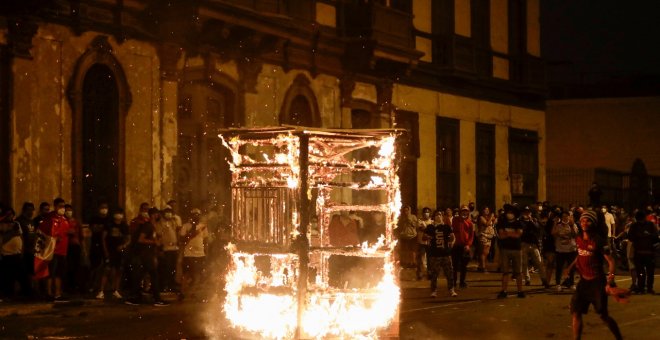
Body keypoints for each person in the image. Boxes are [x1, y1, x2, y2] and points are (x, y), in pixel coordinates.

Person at [564, 210, 622, 340]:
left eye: (588, 220)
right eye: (583, 220)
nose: (584, 223)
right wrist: (570, 267)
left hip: (597, 283)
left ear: (593, 223)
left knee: (603, 316)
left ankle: (619, 338)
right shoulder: (578, 238)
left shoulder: (599, 241)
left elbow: (611, 261)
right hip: (583, 283)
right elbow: (579, 254)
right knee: (576, 312)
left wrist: (610, 278)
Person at [125, 208, 168, 306]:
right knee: (154, 275)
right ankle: (157, 299)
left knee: (140, 276)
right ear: (153, 215)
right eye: (157, 214)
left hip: (146, 255)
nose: (159, 216)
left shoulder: (151, 226)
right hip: (145, 255)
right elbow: (141, 239)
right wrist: (154, 242)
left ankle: (135, 298)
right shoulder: (147, 226)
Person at [39, 198, 70, 301]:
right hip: (52, 251)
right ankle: (48, 293)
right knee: (50, 272)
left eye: (63, 206)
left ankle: (57, 293)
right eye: (60, 206)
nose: (62, 208)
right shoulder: (50, 218)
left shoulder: (64, 219)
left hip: (62, 251)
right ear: (55, 206)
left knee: (59, 273)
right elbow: (45, 232)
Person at [97, 208, 129, 300]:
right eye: (117, 213)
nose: (119, 215)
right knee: (106, 270)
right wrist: (106, 251)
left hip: (120, 252)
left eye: (120, 213)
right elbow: (103, 238)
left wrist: (123, 246)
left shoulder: (124, 226)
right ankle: (101, 291)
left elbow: (128, 239)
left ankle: (116, 290)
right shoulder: (109, 225)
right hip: (110, 251)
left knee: (119, 270)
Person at [424, 209, 457, 297]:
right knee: (434, 274)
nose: (438, 216)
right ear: (434, 217)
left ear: (442, 217)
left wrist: (451, 243)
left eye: (440, 215)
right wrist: (427, 237)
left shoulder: (446, 227)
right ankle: (434, 291)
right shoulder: (430, 227)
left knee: (449, 273)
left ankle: (451, 290)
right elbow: (424, 237)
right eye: (437, 215)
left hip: (445, 254)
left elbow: (453, 237)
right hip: (435, 254)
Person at [178, 208, 208, 300]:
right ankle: (182, 293)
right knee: (186, 275)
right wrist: (191, 232)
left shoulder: (203, 226)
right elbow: (182, 239)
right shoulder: (186, 226)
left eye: (198, 214)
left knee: (198, 275)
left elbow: (206, 240)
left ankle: (192, 292)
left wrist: (206, 252)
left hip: (200, 254)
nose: (196, 216)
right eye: (194, 214)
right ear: (191, 216)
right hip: (189, 254)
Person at [496, 204, 525, 298]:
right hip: (505, 249)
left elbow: (518, 234)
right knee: (505, 272)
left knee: (518, 272)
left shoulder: (518, 223)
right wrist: (513, 233)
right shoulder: (502, 222)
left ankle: (520, 291)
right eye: (508, 212)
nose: (509, 214)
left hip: (516, 249)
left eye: (511, 213)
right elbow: (501, 235)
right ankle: (503, 291)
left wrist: (507, 233)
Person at [627, 210, 658, 294]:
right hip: (646, 252)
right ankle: (648, 288)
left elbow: (630, 237)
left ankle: (642, 288)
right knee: (648, 272)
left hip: (641, 252)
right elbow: (656, 236)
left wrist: (642, 236)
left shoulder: (635, 225)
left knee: (642, 272)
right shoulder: (650, 225)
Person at [520, 206, 549, 288]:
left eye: (529, 212)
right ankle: (527, 279)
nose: (527, 214)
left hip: (533, 244)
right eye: (526, 212)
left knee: (539, 262)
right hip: (524, 243)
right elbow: (523, 230)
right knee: (524, 263)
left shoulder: (534, 220)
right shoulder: (520, 221)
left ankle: (544, 279)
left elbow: (537, 229)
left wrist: (531, 221)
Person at [88, 202, 111, 294]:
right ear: (98, 208)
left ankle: (103, 287)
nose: (104, 209)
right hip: (96, 245)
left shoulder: (109, 220)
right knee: (94, 266)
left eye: (106, 207)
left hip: (107, 245)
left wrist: (100, 228)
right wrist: (101, 228)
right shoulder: (94, 218)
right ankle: (91, 285)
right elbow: (94, 229)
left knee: (106, 267)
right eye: (102, 207)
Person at [553, 210, 578, 291]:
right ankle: (558, 284)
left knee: (571, 268)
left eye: (567, 216)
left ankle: (572, 283)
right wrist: (555, 223)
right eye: (563, 216)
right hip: (560, 250)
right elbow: (553, 233)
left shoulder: (573, 225)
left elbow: (575, 235)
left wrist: (571, 226)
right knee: (559, 267)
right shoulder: (558, 225)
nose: (565, 217)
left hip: (571, 250)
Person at [16, 202, 36, 296]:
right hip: (24, 250)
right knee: (24, 271)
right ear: (24, 210)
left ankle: (31, 289)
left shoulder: (31, 221)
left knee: (31, 271)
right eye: (29, 209)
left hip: (32, 250)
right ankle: (24, 291)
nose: (31, 212)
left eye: (32, 210)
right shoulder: (20, 221)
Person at [451, 205, 474, 289]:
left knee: (464, 265)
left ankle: (462, 281)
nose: (464, 213)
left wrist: (468, 245)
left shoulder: (470, 223)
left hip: (464, 246)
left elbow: (471, 235)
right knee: (454, 265)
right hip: (456, 245)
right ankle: (453, 282)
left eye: (466, 211)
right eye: (463, 211)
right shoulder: (455, 220)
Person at [64, 204, 82, 294]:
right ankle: (69, 286)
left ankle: (76, 285)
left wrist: (82, 247)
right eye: (66, 210)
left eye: (70, 210)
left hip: (76, 246)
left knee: (76, 266)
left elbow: (80, 235)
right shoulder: (63, 221)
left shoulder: (76, 222)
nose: (68, 212)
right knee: (68, 267)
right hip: (66, 246)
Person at [476, 207, 496, 272]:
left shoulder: (489, 217)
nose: (487, 211)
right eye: (485, 209)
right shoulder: (481, 218)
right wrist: (491, 217)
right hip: (483, 235)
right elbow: (487, 224)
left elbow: (493, 223)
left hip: (489, 236)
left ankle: (481, 265)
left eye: (488, 210)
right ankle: (483, 267)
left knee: (486, 252)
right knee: (483, 252)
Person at [416, 207, 433, 280]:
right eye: (425, 212)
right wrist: (428, 229)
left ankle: (429, 273)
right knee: (420, 259)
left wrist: (426, 228)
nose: (426, 213)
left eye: (428, 212)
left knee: (430, 259)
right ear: (422, 213)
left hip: (429, 243)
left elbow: (432, 230)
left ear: (430, 213)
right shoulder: (419, 221)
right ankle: (420, 273)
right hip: (421, 242)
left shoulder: (432, 221)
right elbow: (420, 228)